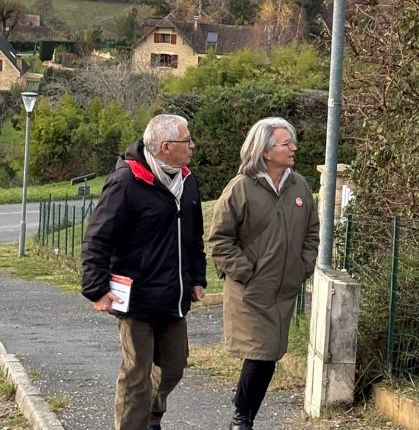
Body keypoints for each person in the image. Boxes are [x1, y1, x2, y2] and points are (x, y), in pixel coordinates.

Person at [81, 114, 207, 430]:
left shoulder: (187, 180)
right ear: (165, 147)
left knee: (174, 366)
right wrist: (96, 288)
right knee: (137, 372)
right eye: (186, 140)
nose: (192, 145)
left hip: (174, 297)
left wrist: (197, 278)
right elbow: (98, 237)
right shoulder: (126, 182)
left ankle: (150, 417)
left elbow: (194, 237)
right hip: (136, 297)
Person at [208, 117, 319, 430]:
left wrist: (303, 265)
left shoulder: (299, 185)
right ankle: (241, 418)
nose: (293, 147)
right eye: (286, 143)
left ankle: (243, 415)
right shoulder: (240, 189)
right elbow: (219, 240)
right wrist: (247, 273)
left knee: (269, 354)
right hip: (251, 291)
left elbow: (312, 229)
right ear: (266, 151)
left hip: (284, 290)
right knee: (261, 352)